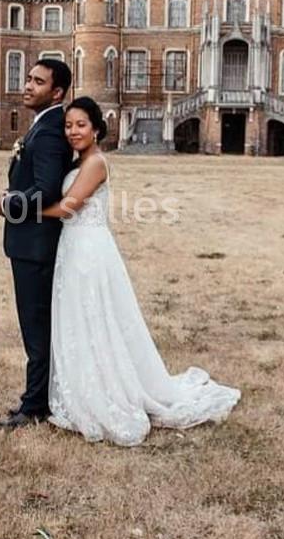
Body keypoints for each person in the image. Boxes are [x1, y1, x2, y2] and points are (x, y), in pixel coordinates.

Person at [39, 97, 240, 446]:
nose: (73, 131)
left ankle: (107, 393)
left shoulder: (97, 163)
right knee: (80, 318)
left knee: (96, 317)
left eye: (80, 124)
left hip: (90, 250)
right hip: (73, 249)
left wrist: (21, 209)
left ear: (97, 128)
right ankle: (84, 385)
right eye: (68, 125)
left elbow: (70, 207)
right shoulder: (79, 161)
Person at [0, 59, 75, 430]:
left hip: (36, 246)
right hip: (29, 244)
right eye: (28, 79)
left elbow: (46, 191)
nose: (27, 85)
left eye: (37, 82)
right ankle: (38, 399)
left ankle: (35, 406)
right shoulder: (43, 126)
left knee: (36, 327)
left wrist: (8, 203)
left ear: (56, 93)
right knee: (35, 326)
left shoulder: (52, 131)